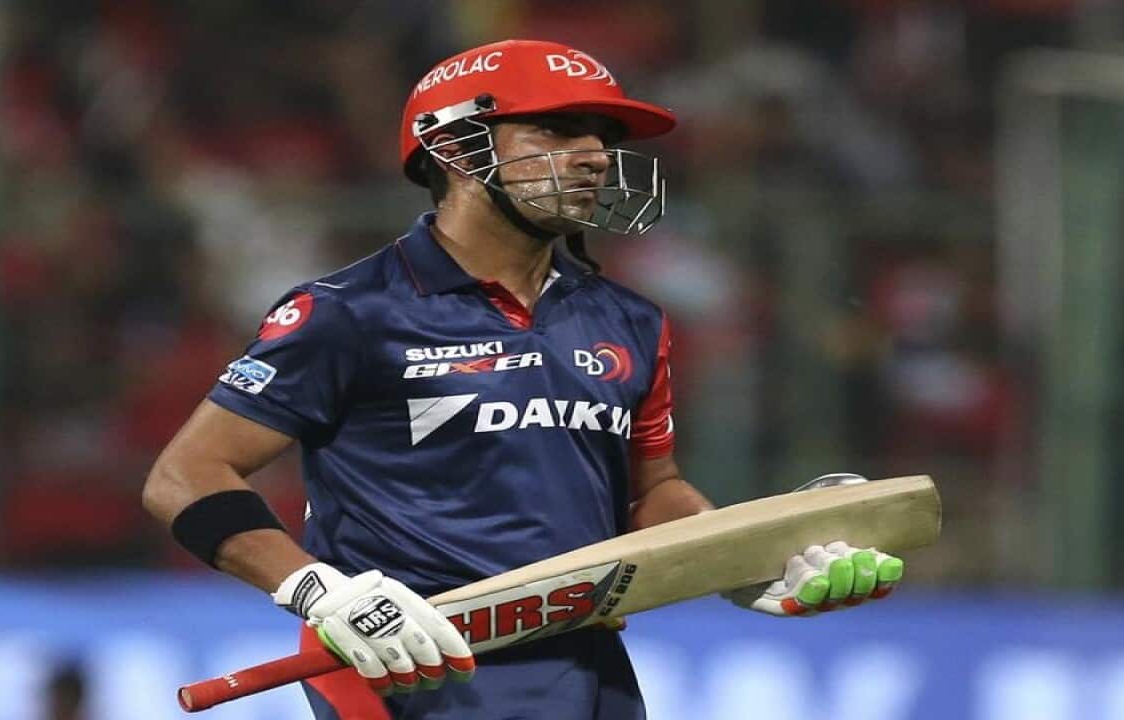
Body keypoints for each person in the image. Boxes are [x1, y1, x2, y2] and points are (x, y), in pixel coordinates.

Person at [142, 39, 905, 720]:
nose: (594, 154)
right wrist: (319, 591)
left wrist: (745, 565)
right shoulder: (350, 312)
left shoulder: (630, 319)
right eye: (556, 129)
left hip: (591, 673)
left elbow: (650, 494)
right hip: (417, 673)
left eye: (601, 136)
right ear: (454, 149)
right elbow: (185, 475)